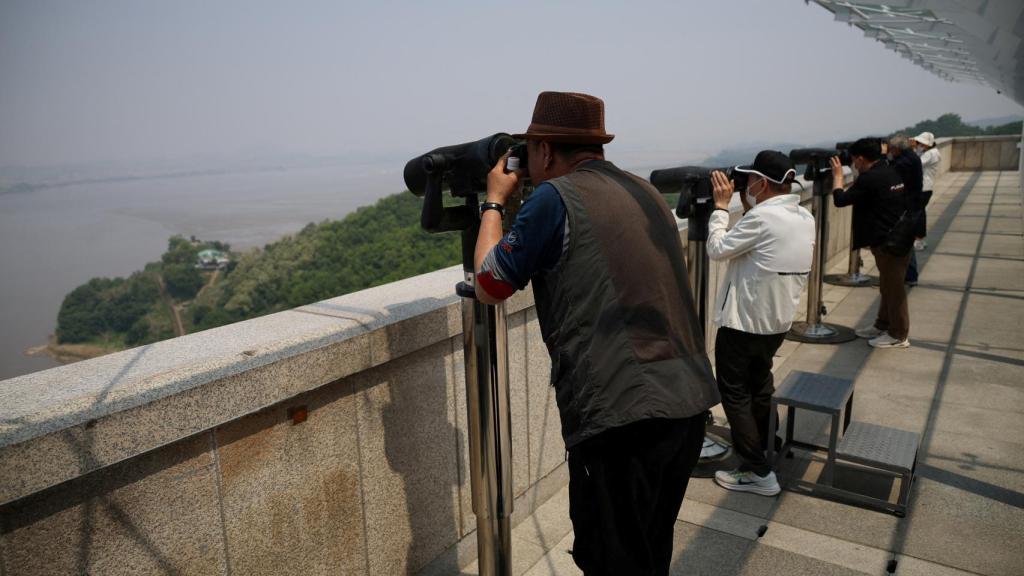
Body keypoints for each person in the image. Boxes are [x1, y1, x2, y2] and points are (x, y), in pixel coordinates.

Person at [474, 91, 720, 575]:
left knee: (611, 560)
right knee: (648, 552)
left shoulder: (554, 197)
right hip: (686, 403)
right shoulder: (644, 191)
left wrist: (494, 201)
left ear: (544, 150)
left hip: (621, 420)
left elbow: (489, 283)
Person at [706, 151, 815, 496]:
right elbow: (765, 239)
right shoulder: (803, 216)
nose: (745, 186)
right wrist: (746, 205)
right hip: (777, 322)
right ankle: (769, 442)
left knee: (735, 393)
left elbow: (718, 248)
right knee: (760, 386)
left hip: (743, 324)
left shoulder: (761, 220)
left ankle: (757, 471)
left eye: (748, 180)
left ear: (762, 183)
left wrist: (721, 209)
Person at [831, 138, 911, 349]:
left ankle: (898, 334)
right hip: (899, 236)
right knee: (887, 286)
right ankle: (882, 325)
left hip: (889, 241)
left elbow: (840, 200)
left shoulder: (871, 178)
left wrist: (838, 178)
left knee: (894, 290)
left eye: (854, 160)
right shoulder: (890, 171)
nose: (853, 164)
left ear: (860, 158)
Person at [887, 135, 924, 285]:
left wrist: (883, 157)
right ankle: (909, 275)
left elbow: (891, 175)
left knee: (904, 242)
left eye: (891, 149)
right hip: (913, 203)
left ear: (896, 149)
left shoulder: (904, 162)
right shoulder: (911, 157)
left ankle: (909, 275)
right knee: (906, 241)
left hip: (908, 206)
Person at [912, 132, 941, 251]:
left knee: (917, 215)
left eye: (920, 143)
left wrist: (910, 149)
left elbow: (915, 163)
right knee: (920, 214)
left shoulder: (931, 154)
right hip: (925, 188)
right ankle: (920, 239)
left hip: (923, 189)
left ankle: (919, 240)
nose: (918, 145)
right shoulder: (930, 152)